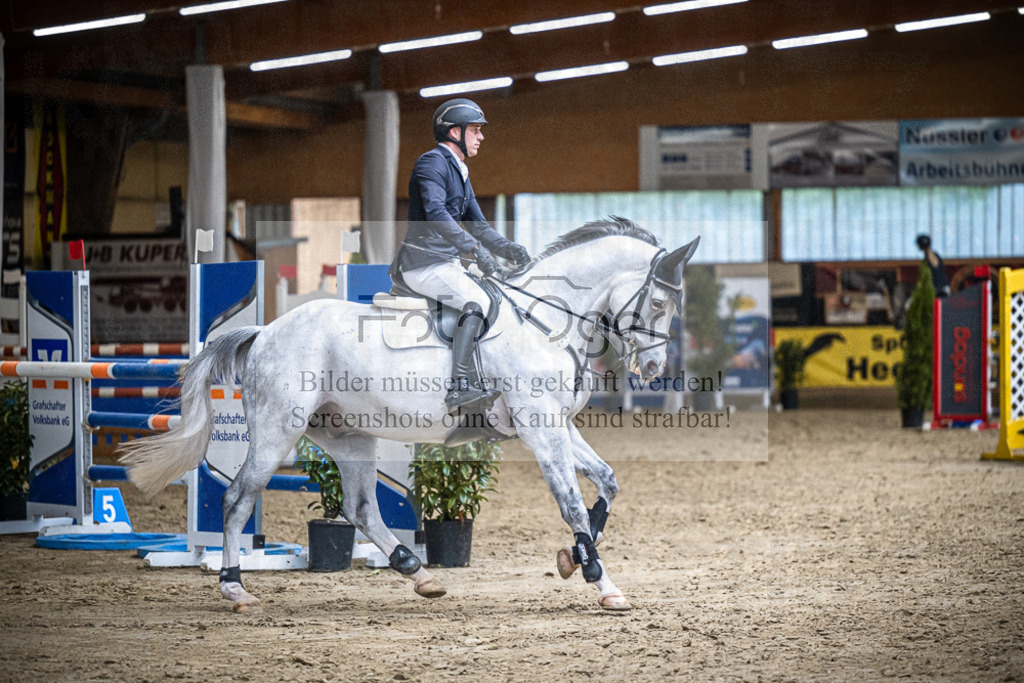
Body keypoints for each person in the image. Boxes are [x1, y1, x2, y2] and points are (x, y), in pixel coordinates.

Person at [390, 98, 531, 413]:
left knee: (497, 297)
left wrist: (508, 248)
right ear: (455, 131)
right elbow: (437, 213)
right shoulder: (432, 163)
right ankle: (459, 386)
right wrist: (474, 249)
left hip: (445, 263)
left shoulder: (460, 170)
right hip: (423, 264)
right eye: (475, 130)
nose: (481, 136)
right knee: (478, 303)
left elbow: (478, 225)